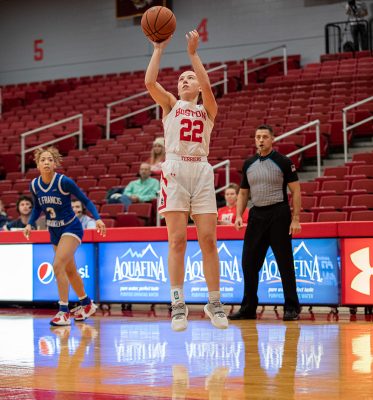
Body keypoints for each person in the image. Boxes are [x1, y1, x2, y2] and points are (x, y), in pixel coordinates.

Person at [145, 30, 228, 331]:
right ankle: (178, 304)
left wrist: (194, 56)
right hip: (176, 171)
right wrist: (158, 48)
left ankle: (214, 302)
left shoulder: (208, 109)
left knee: (208, 240)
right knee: (177, 240)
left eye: (189, 77)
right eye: (181, 78)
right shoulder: (170, 104)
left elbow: (207, 85)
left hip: (202, 170)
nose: (184, 80)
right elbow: (150, 82)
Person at [23, 146, 106, 326]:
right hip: (53, 230)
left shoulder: (64, 182)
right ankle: (86, 303)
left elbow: (85, 200)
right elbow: (37, 208)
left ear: (55, 164)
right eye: (42, 160)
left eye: (50, 160)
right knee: (70, 270)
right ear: (37, 164)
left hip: (71, 228)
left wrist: (97, 219)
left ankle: (63, 311)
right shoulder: (35, 185)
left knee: (58, 265)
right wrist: (30, 223)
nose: (46, 162)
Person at [228, 125, 301, 322]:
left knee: (285, 263)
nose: (261, 140)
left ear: (272, 139)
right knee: (248, 263)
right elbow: (243, 192)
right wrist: (238, 215)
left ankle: (292, 307)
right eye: (258, 136)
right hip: (256, 215)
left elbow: (296, 191)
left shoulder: (283, 162)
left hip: (279, 214)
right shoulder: (248, 163)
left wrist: (295, 218)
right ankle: (248, 307)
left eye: (265, 137)